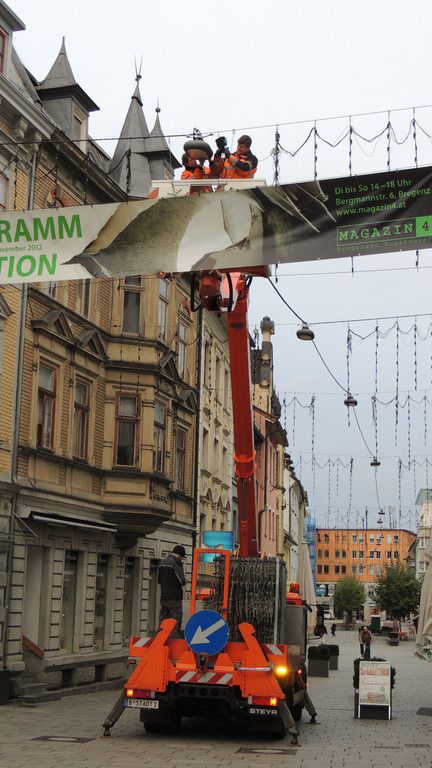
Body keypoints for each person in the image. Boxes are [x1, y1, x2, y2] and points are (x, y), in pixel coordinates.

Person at [158, 545, 187, 638]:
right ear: (180, 555)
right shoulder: (176, 563)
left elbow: (159, 580)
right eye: (182, 557)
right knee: (175, 623)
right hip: (175, 598)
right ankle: (175, 643)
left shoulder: (162, 563)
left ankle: (160, 642)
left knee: (163, 622)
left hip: (164, 597)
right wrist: (185, 581)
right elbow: (181, 580)